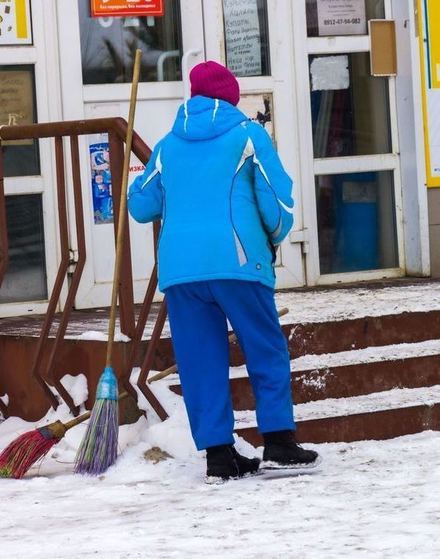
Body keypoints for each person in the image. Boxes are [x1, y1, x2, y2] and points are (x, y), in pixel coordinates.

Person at [128, 61, 319, 483]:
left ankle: (220, 456)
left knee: (200, 361)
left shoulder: (167, 146)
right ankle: (279, 443)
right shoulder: (247, 136)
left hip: (182, 273)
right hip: (238, 263)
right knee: (265, 349)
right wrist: (271, 235)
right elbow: (277, 199)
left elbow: (140, 205)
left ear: (193, 97)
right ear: (231, 97)